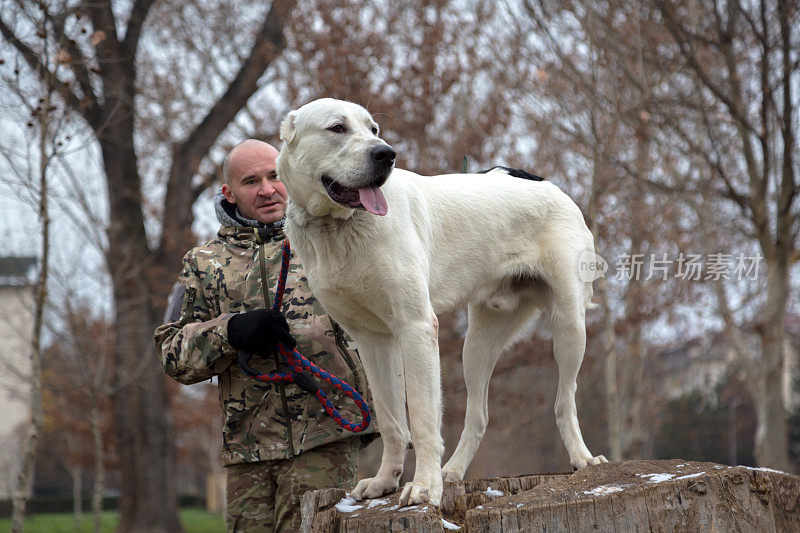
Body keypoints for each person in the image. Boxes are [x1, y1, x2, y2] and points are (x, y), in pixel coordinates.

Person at [155, 139, 376, 532]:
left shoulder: (335, 235)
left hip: (325, 436)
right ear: (229, 193)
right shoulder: (203, 264)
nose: (267, 189)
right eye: (251, 181)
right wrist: (230, 331)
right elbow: (172, 355)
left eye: (275, 175)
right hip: (248, 450)